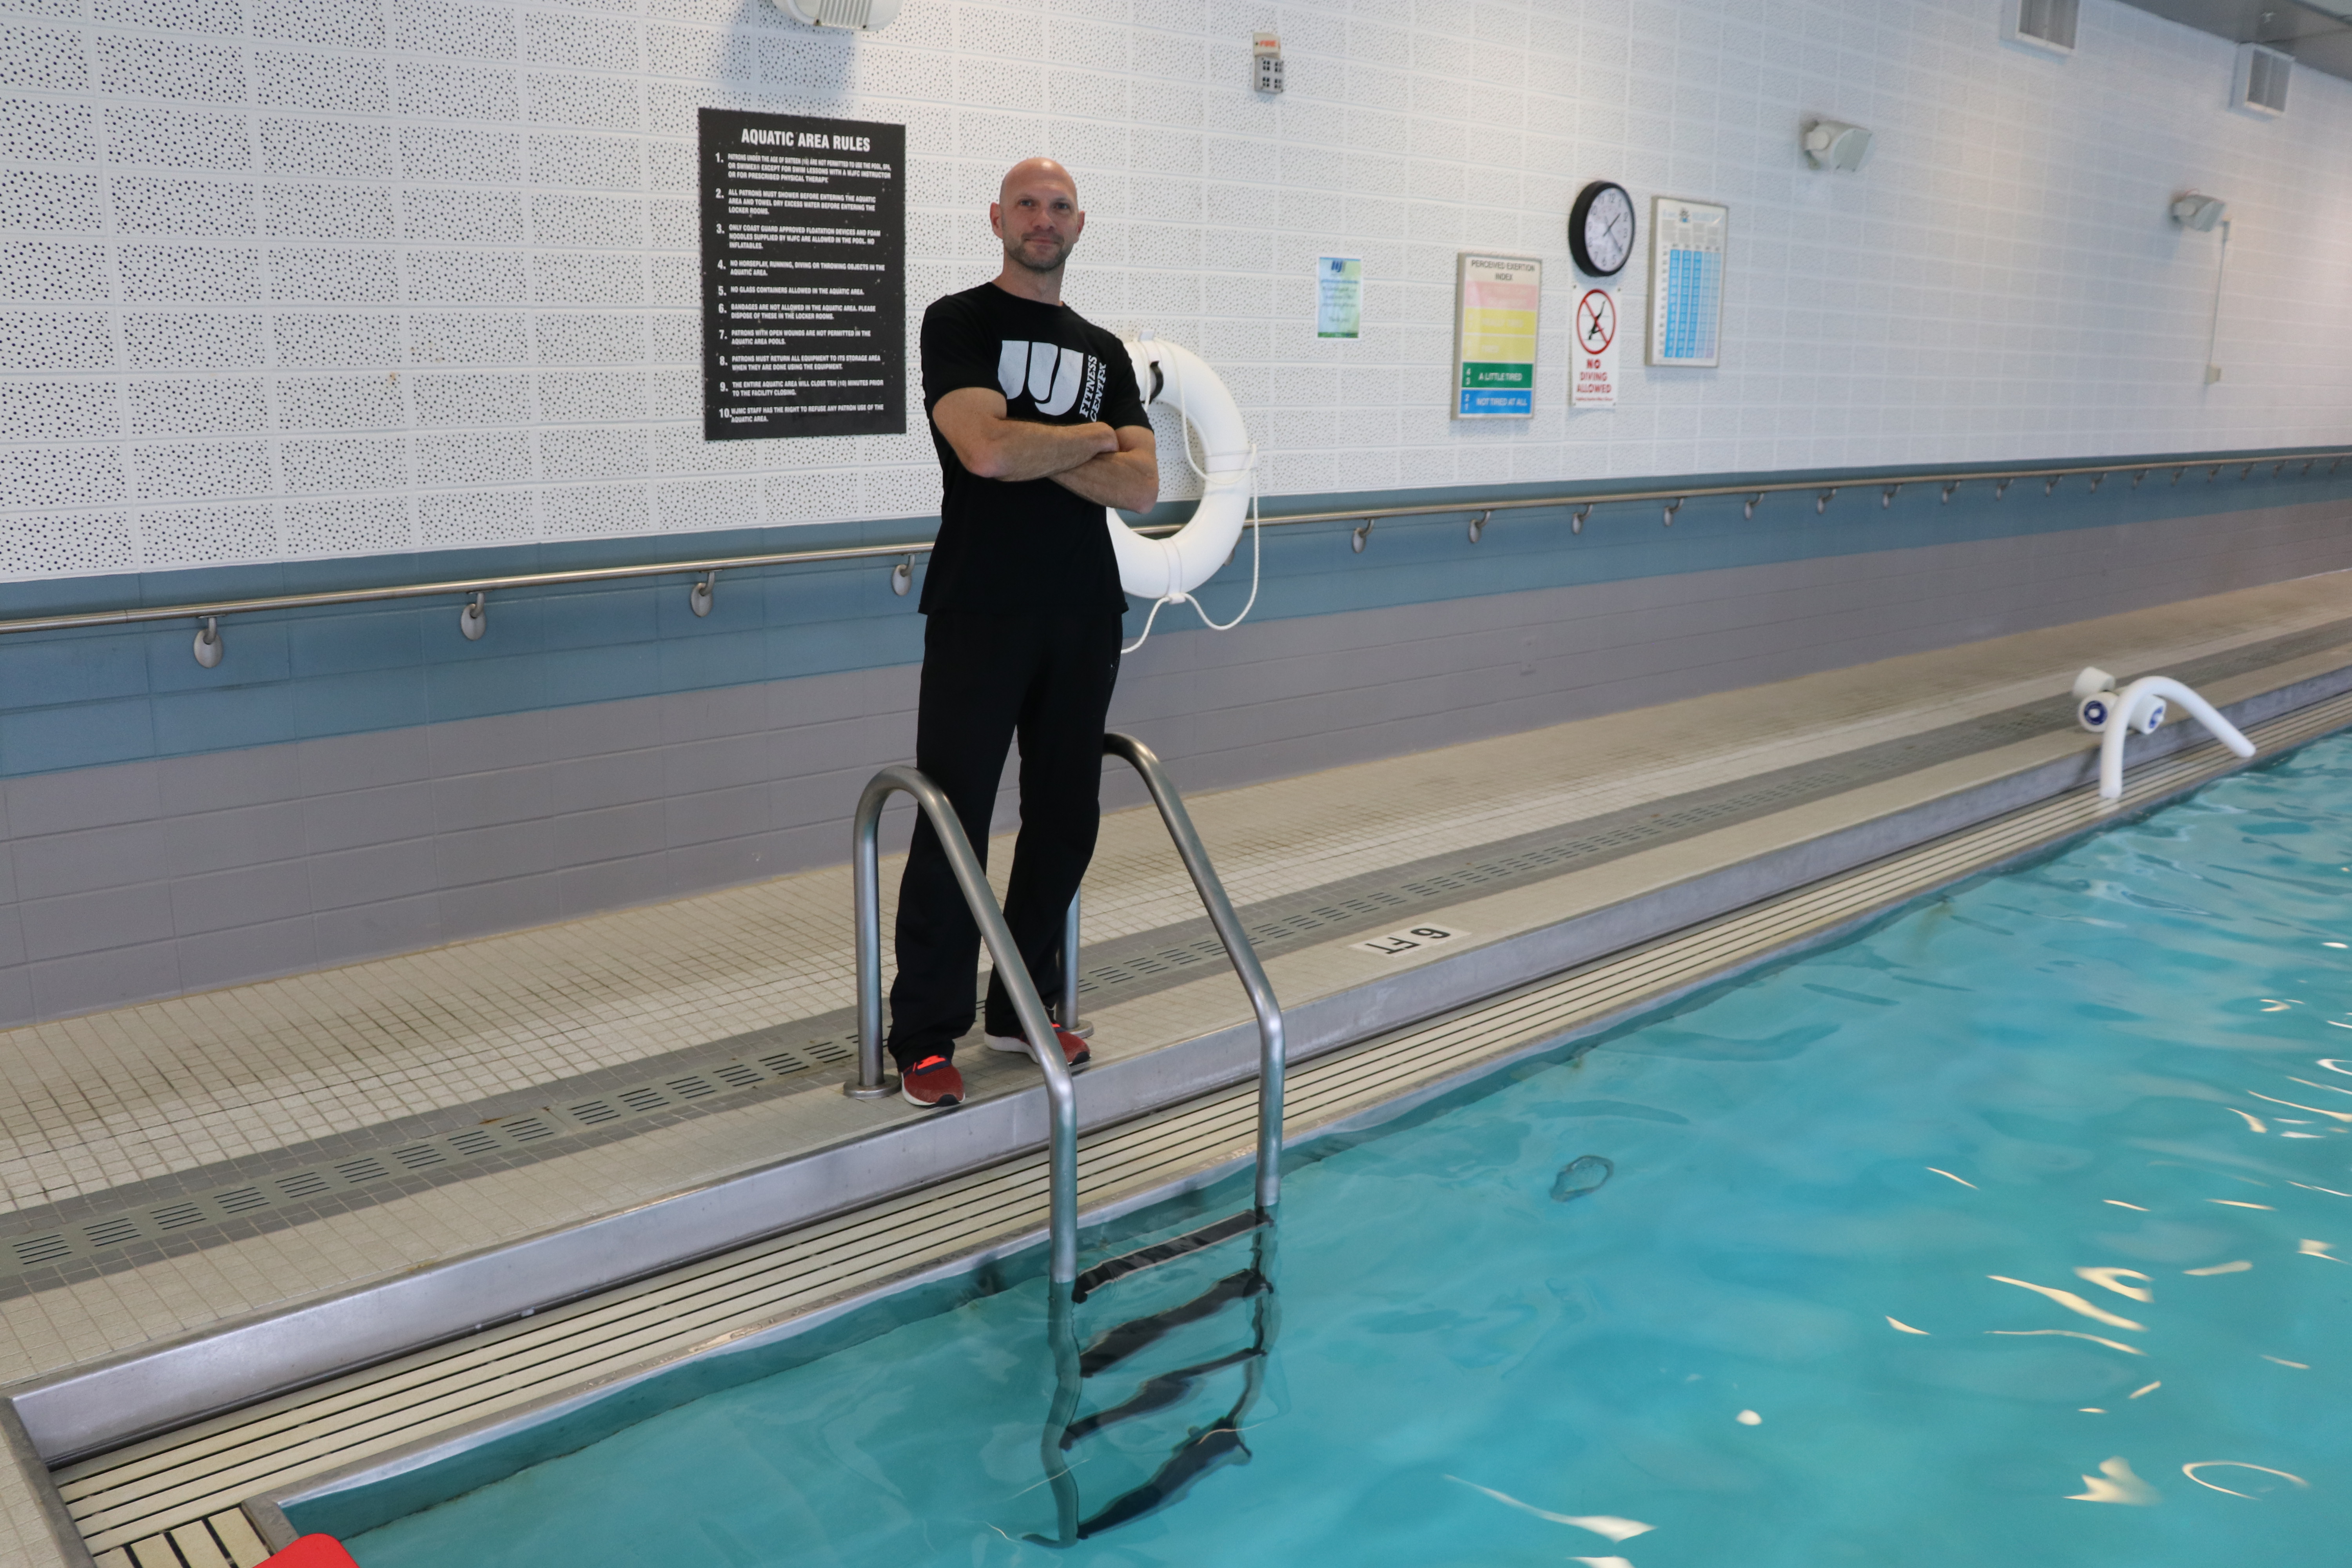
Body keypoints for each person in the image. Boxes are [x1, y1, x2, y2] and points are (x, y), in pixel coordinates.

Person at [886, 158, 1160, 1109]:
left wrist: (1045, 444)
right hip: (980, 607)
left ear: (1081, 225)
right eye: (1028, 206)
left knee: (1065, 817)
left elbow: (1143, 486)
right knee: (952, 819)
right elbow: (984, 448)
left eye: (1060, 208)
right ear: (997, 217)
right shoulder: (957, 321)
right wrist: (1091, 437)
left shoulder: (1104, 351)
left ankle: (1018, 1002)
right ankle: (923, 1032)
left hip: (1086, 610)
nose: (1043, 220)